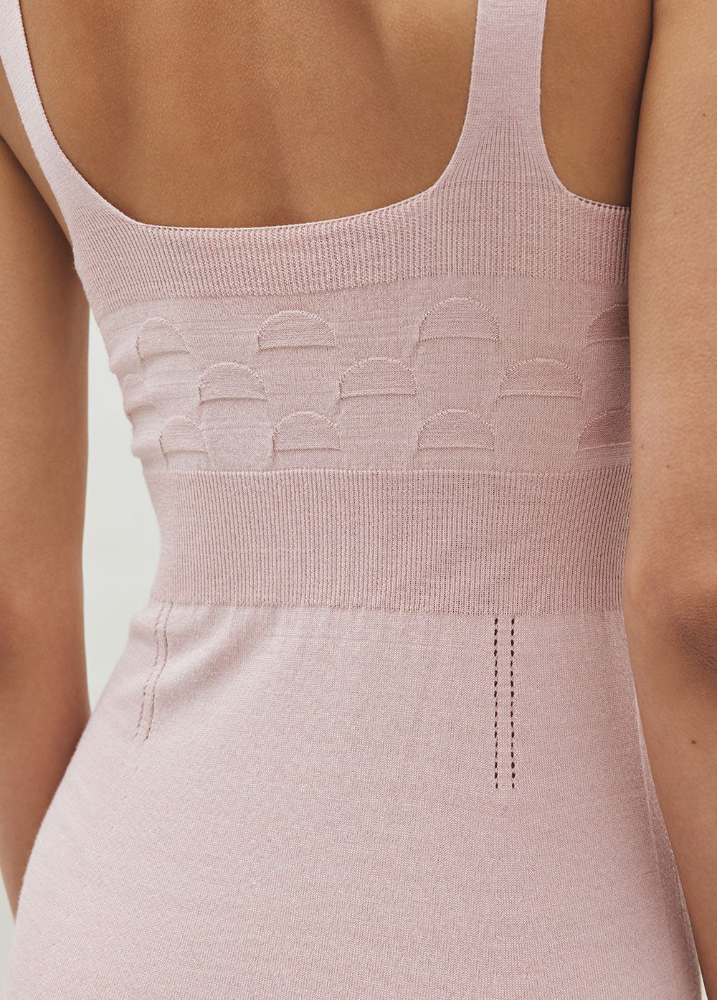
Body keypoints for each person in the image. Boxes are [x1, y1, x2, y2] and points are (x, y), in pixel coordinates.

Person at [0, 0, 714, 995]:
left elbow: (12, 619)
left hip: (127, 908)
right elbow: (693, 593)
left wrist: (105, 933)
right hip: (542, 918)